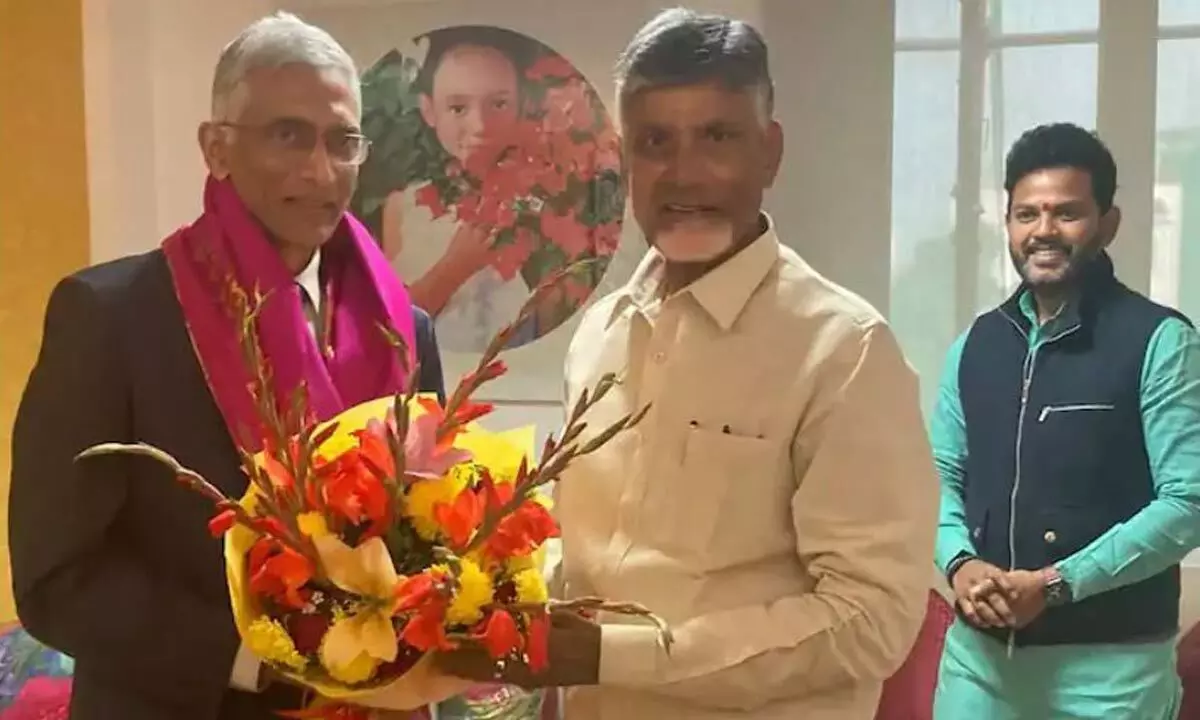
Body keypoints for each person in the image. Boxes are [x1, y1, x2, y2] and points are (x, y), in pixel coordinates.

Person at [438, 8, 939, 719]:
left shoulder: (845, 350)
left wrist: (618, 653)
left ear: (771, 152)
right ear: (623, 161)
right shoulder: (600, 335)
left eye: (718, 137)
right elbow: (585, 561)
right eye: (654, 143)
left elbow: (871, 623)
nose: (685, 174)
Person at [8, 13, 448, 720]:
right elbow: (58, 578)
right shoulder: (112, 317)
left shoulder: (405, 330)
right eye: (287, 135)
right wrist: (267, 661)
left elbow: (428, 529)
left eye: (343, 142)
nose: (319, 169)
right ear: (216, 148)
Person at [931, 123, 1200, 718]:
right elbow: (938, 477)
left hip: (1111, 673)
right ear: (1007, 225)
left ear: (1108, 223)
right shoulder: (975, 344)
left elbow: (1189, 502)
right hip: (978, 668)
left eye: (1066, 213)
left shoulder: (1161, 341)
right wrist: (960, 561)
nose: (1043, 231)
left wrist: (1056, 584)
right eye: (1026, 214)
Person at [379, 27, 534, 353]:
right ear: (429, 111)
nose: (480, 126)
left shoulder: (539, 199)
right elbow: (393, 324)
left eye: (499, 104)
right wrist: (456, 265)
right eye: (458, 108)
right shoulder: (403, 206)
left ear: (521, 107)